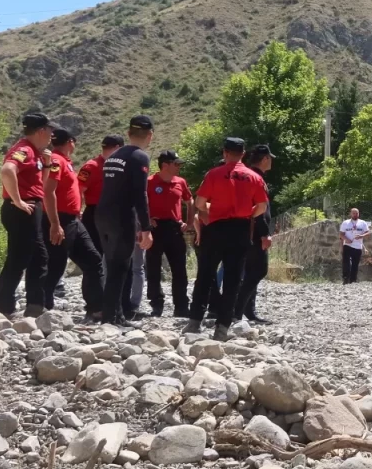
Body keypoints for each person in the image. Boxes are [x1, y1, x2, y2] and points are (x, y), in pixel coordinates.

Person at [186, 138, 268, 339]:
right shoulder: (254, 177)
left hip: (216, 228)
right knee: (233, 279)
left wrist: (210, 213)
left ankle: (194, 322)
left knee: (206, 274)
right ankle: (222, 327)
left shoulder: (214, 174)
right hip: (240, 229)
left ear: (225, 152)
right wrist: (246, 213)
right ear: (243, 154)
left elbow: (199, 202)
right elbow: (262, 207)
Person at [96, 115, 155, 326]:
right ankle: (111, 317)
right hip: (121, 216)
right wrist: (146, 227)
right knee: (120, 267)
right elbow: (141, 194)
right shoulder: (140, 157)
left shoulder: (113, 156)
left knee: (113, 265)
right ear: (150, 135)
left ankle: (115, 313)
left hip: (102, 214)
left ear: (129, 133)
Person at [41, 127, 103, 319]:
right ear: (70, 142)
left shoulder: (66, 162)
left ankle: (96, 308)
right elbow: (48, 191)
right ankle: (41, 307)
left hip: (74, 219)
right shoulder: (56, 161)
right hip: (60, 219)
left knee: (93, 260)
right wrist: (54, 223)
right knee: (56, 264)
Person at [0, 112, 54, 317]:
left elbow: (40, 184)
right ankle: (4, 308)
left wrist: (46, 163)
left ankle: (34, 306)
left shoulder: (35, 152)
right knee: (18, 259)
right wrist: (17, 199)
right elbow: (7, 170)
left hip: (30, 207)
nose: (52, 135)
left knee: (38, 256)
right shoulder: (24, 150)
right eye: (50, 130)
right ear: (41, 131)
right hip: (22, 210)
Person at [145, 150, 193, 317]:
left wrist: (189, 222)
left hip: (175, 228)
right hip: (155, 228)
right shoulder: (149, 182)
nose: (179, 167)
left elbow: (189, 201)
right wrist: (146, 219)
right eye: (176, 164)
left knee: (179, 269)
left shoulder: (181, 182)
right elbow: (139, 203)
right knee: (153, 268)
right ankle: (156, 304)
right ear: (165, 165)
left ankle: (181, 306)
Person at [234, 145, 276, 324]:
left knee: (251, 271)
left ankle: (248, 310)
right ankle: (237, 310)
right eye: (270, 158)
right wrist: (264, 233)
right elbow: (259, 210)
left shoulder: (248, 176)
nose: (271, 161)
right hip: (254, 231)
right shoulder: (256, 178)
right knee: (259, 270)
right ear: (265, 159)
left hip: (246, 230)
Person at [77, 134, 124, 254]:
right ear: (117, 148)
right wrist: (77, 211)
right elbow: (78, 190)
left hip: (114, 213)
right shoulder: (91, 166)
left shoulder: (118, 166)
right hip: (95, 214)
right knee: (97, 252)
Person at [340, 207, 371, 283]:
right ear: (350, 214)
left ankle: (353, 280)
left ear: (358, 214)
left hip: (358, 246)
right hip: (347, 245)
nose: (355, 214)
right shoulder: (345, 223)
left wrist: (361, 236)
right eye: (353, 213)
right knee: (346, 262)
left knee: (355, 264)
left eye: (357, 213)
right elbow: (341, 234)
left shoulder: (363, 223)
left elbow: (368, 233)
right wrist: (346, 239)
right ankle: (346, 278)